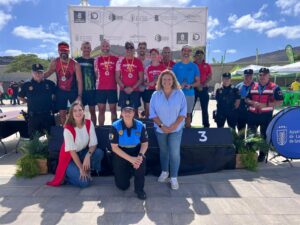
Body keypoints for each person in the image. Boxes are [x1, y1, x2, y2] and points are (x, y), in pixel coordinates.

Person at [47, 102, 104, 187]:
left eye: (80, 110)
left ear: (83, 111)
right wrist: (81, 169)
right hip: (69, 158)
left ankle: (88, 171)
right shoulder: (68, 129)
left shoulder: (88, 123)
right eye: (75, 111)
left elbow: (93, 143)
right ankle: (66, 177)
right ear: (71, 114)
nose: (78, 113)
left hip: (83, 153)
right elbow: (72, 152)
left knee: (99, 153)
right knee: (84, 184)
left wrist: (88, 156)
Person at [149, 70, 187, 190]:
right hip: (161, 130)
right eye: (164, 79)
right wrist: (162, 126)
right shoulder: (155, 95)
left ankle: (174, 178)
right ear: (160, 81)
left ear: (173, 81)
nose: (167, 81)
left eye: (169, 79)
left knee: (174, 153)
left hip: (176, 129)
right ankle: (165, 172)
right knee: (164, 151)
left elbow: (183, 112)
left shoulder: (180, 94)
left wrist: (175, 125)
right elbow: (152, 113)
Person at [109, 101, 149, 200]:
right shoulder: (115, 126)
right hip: (120, 152)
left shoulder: (140, 125)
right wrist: (131, 159)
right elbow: (114, 147)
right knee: (122, 186)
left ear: (134, 112)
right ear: (121, 113)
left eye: (130, 111)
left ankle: (139, 189)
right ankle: (128, 172)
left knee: (141, 160)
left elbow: (145, 144)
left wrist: (139, 156)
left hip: (136, 150)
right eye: (125, 111)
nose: (127, 113)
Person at [246, 68, 283, 162]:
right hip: (252, 115)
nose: (262, 77)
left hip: (265, 116)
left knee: (264, 136)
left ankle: (262, 155)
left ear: (268, 76)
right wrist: (252, 102)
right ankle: (250, 154)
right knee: (251, 135)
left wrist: (266, 105)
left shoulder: (275, 87)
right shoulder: (252, 85)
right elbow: (246, 99)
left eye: (264, 75)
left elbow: (280, 101)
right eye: (260, 75)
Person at [44, 42, 83, 125]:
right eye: (61, 51)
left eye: (65, 51)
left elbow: (79, 81)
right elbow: (48, 73)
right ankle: (65, 132)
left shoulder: (75, 64)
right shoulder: (55, 62)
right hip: (60, 91)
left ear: (68, 51)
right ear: (58, 51)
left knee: (76, 113)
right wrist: (36, 77)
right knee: (62, 114)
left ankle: (77, 131)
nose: (63, 53)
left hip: (72, 91)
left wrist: (79, 96)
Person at [18, 64, 56, 137]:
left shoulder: (49, 83)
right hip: (33, 117)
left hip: (47, 115)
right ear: (32, 73)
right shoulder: (26, 84)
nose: (38, 74)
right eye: (36, 72)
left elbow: (56, 95)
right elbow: (20, 97)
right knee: (33, 140)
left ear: (43, 73)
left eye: (40, 72)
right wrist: (28, 101)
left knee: (52, 138)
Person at [173, 45, 200, 128]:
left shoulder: (194, 66)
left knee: (188, 114)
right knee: (177, 114)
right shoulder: (176, 66)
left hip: (189, 94)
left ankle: (188, 133)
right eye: (184, 51)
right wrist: (179, 86)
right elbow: (171, 81)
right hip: (177, 94)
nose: (186, 53)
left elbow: (198, 82)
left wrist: (191, 85)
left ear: (191, 53)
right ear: (181, 52)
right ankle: (176, 132)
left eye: (188, 51)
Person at [116, 41, 144, 116]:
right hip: (123, 90)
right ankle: (123, 128)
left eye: (131, 47)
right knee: (123, 113)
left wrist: (132, 88)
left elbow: (141, 78)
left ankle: (135, 127)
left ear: (134, 49)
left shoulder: (138, 61)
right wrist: (125, 87)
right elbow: (117, 77)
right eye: (127, 47)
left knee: (135, 112)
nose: (129, 49)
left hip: (135, 90)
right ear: (125, 49)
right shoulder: (120, 61)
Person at [94, 39, 119, 125]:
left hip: (112, 88)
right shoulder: (97, 60)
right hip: (100, 88)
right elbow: (96, 74)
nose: (105, 48)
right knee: (101, 110)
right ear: (101, 47)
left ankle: (114, 129)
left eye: (107, 46)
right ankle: (101, 129)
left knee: (113, 110)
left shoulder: (115, 59)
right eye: (103, 46)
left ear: (109, 47)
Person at [75, 41, 97, 125]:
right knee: (80, 113)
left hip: (92, 91)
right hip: (81, 92)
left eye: (88, 48)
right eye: (85, 47)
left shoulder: (94, 61)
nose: (86, 49)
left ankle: (94, 129)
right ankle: (81, 130)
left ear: (91, 49)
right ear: (81, 49)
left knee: (93, 112)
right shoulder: (76, 61)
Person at [142, 48, 166, 118]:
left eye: (155, 54)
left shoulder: (163, 68)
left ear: (158, 55)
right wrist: (150, 84)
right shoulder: (147, 68)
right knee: (148, 111)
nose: (153, 56)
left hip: (160, 91)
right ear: (150, 56)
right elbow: (143, 82)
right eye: (152, 54)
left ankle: (159, 128)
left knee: (159, 112)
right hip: (149, 91)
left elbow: (167, 81)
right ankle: (148, 127)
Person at [193, 49, 212, 128]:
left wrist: (203, 84)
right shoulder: (192, 65)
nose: (200, 57)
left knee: (204, 108)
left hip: (204, 89)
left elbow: (210, 76)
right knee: (190, 108)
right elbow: (190, 76)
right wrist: (197, 85)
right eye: (198, 55)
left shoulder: (207, 65)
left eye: (201, 55)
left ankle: (206, 125)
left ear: (203, 56)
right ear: (195, 57)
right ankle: (187, 124)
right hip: (193, 89)